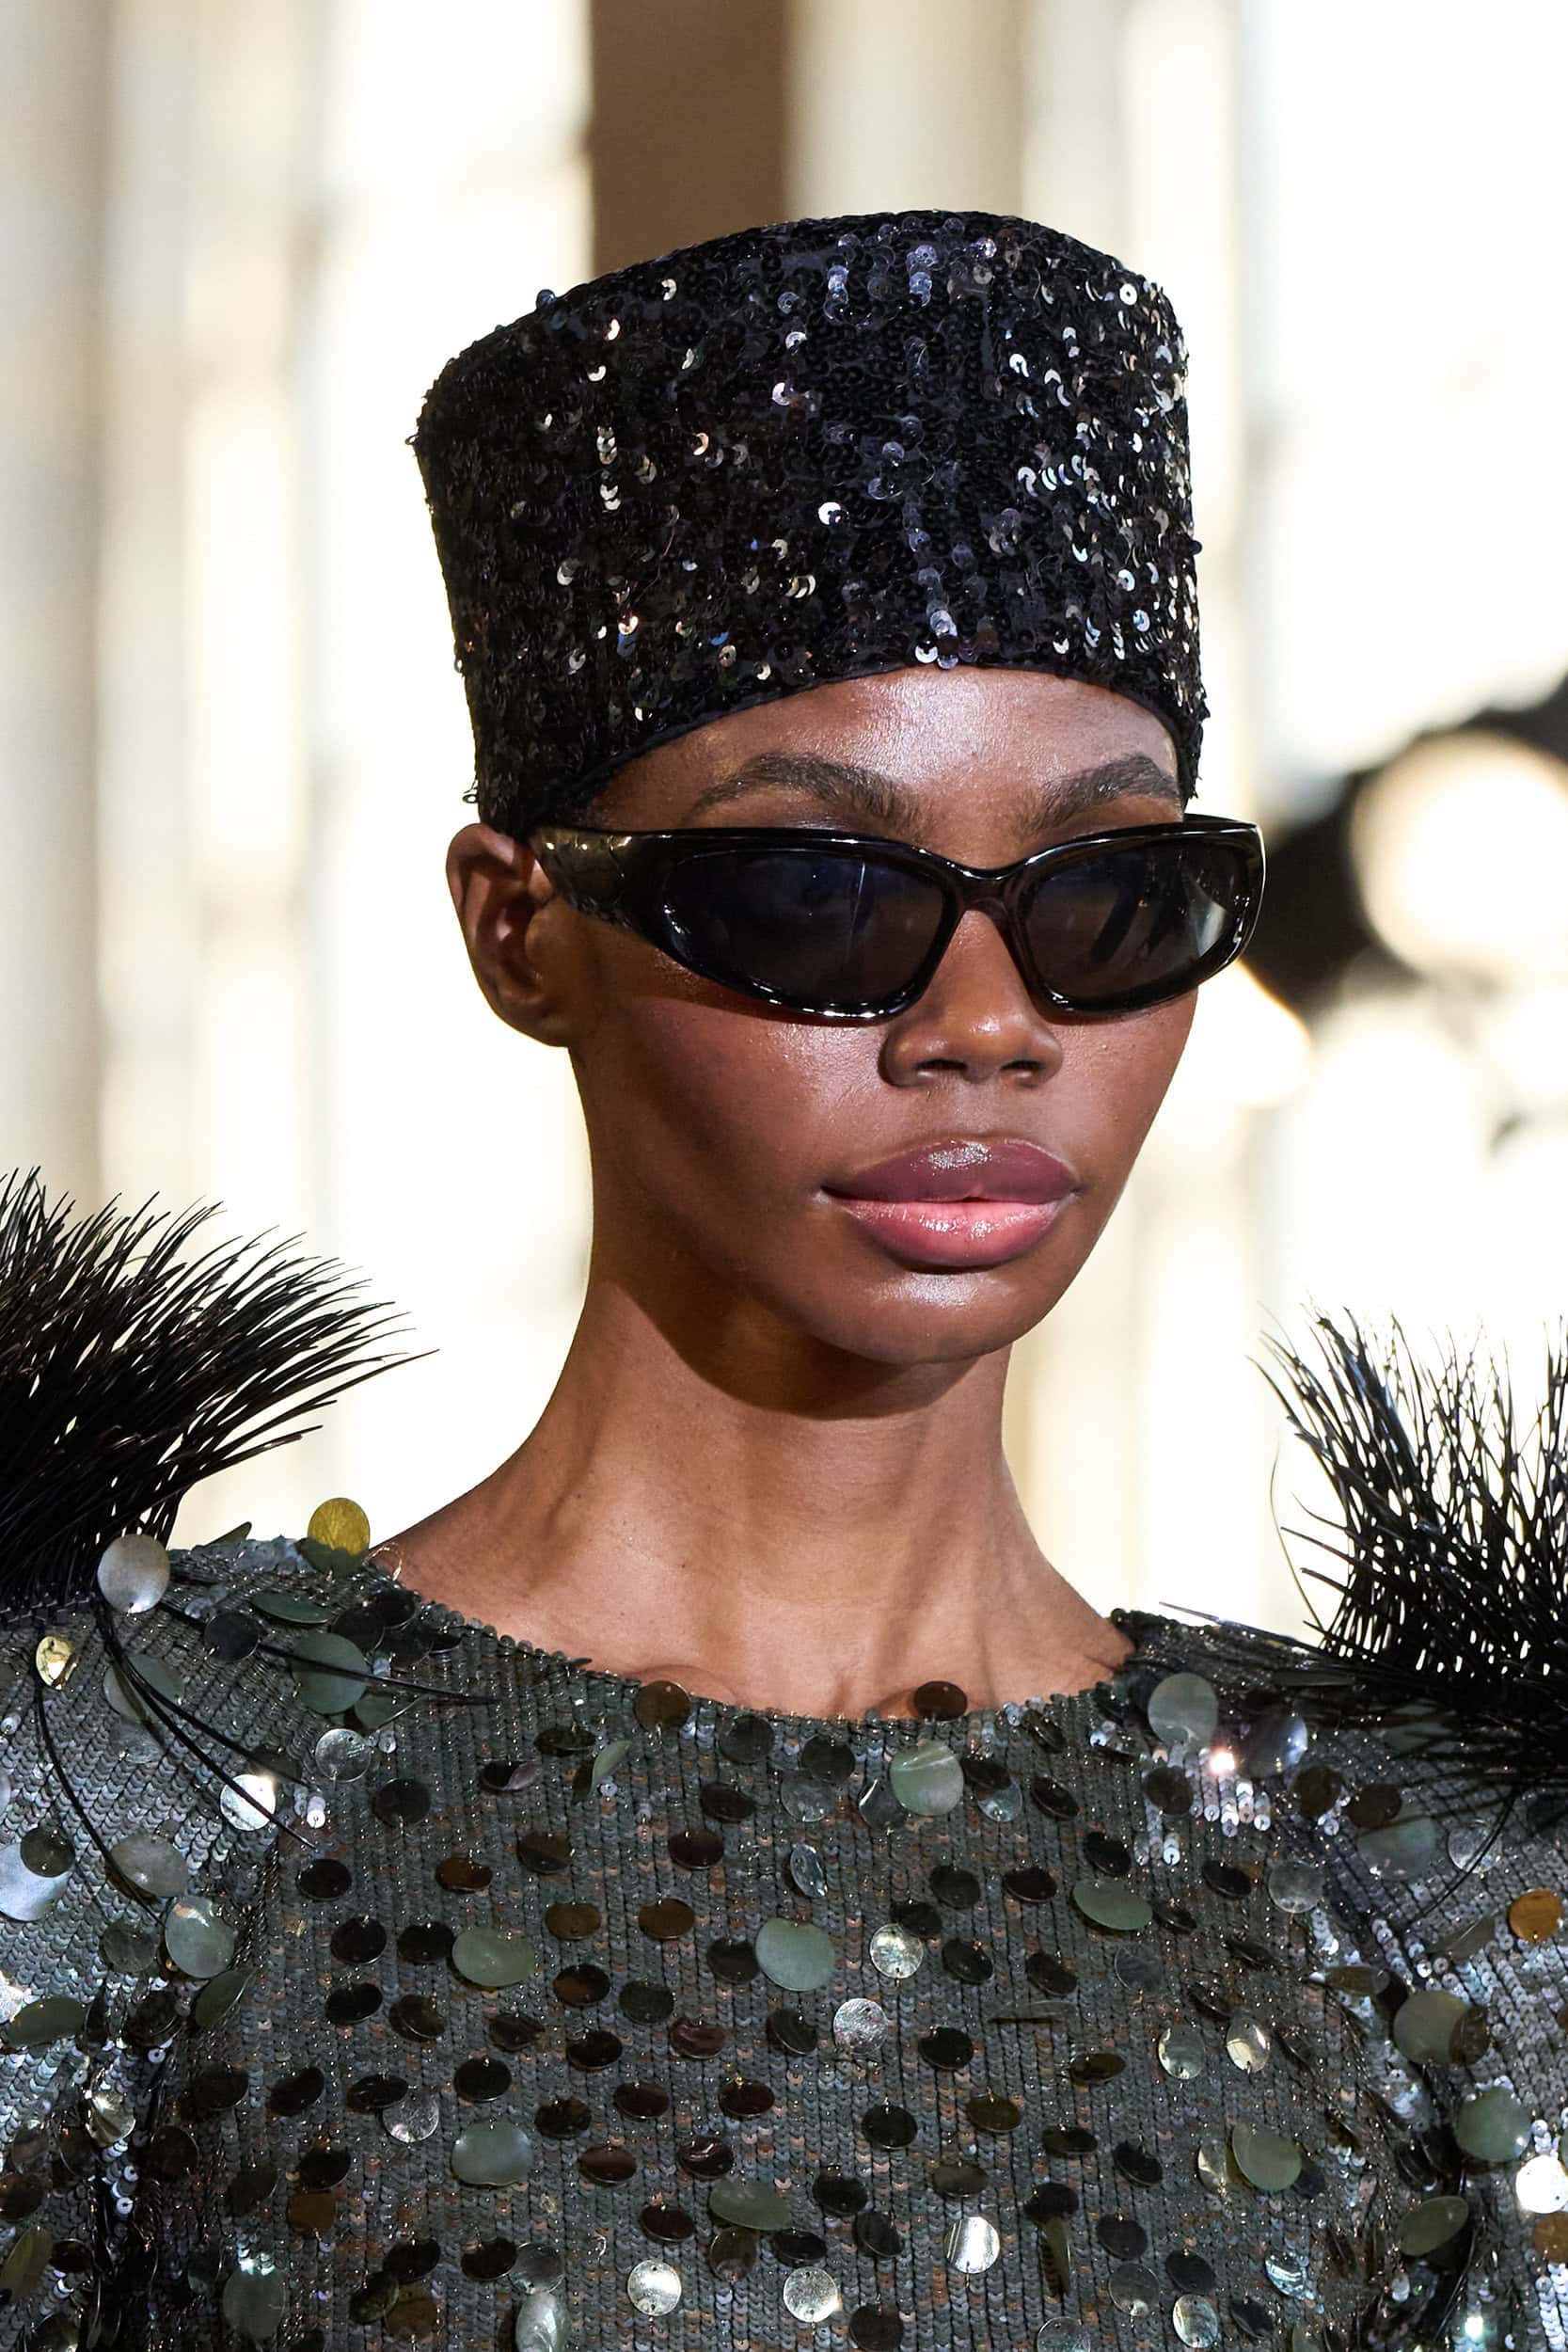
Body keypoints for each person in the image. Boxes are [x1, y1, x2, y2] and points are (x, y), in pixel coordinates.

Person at [0, 210, 1561, 2352]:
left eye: (1112, 897)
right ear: (518, 927)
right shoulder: (120, 1804)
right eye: (823, 896)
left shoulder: (1441, 1888)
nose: (986, 1025)